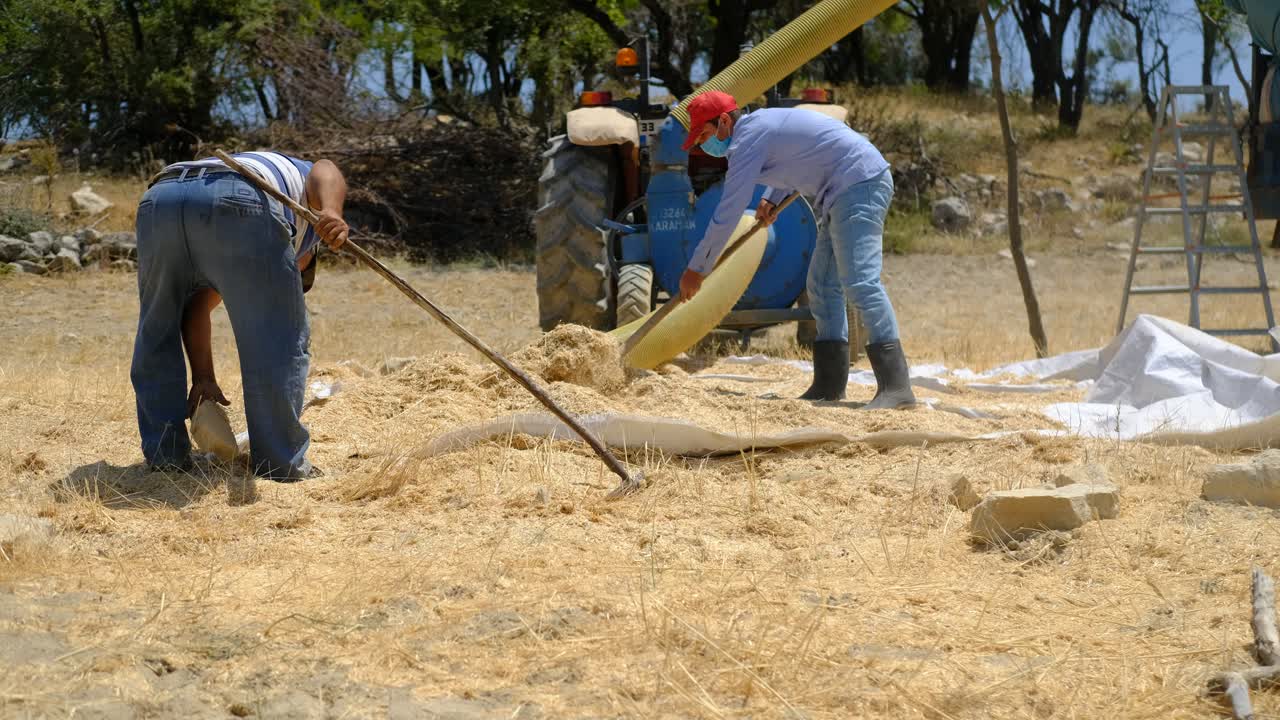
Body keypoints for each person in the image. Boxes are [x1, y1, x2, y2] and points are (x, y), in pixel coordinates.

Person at [677, 91, 914, 409]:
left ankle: (896, 388)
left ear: (723, 121)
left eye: (704, 135)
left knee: (860, 281)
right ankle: (828, 385)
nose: (703, 145)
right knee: (821, 285)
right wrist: (771, 198)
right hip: (843, 189)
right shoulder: (759, 128)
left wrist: (697, 268)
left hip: (860, 183)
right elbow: (800, 158)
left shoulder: (748, 138)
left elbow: (728, 212)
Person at [131, 151, 349, 480]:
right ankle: (279, 464)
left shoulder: (279, 187)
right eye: (298, 277)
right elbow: (326, 167)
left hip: (161, 198)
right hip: (238, 195)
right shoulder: (308, 228)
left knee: (156, 332)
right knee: (277, 339)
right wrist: (331, 210)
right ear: (307, 256)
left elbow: (197, 308)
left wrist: (204, 377)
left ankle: (166, 458)